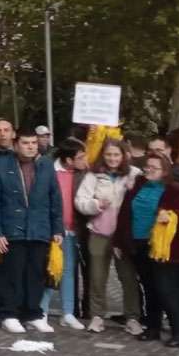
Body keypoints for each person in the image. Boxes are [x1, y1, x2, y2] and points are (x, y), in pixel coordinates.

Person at [0, 126, 63, 334]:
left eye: (34, 143)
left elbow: (55, 198)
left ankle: (33, 314)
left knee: (36, 273)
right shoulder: (2, 165)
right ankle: (8, 313)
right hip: (12, 229)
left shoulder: (46, 165)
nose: (30, 147)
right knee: (12, 273)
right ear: (16, 144)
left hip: (39, 228)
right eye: (26, 143)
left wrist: (57, 228)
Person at [114, 154, 179, 346]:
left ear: (165, 171)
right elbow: (124, 213)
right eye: (147, 166)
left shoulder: (175, 190)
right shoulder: (137, 185)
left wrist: (170, 216)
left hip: (166, 249)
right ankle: (153, 327)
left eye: (154, 168)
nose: (149, 170)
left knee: (169, 290)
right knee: (150, 288)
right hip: (140, 244)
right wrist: (119, 241)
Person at [73, 138, 141, 335]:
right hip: (99, 232)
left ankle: (132, 317)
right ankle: (97, 316)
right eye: (109, 154)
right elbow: (80, 201)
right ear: (103, 155)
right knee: (97, 277)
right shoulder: (93, 175)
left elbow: (142, 198)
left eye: (116, 155)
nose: (112, 158)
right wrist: (95, 204)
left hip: (123, 235)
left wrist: (132, 189)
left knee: (128, 277)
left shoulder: (134, 174)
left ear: (124, 156)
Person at [36, 139, 88, 329]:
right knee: (51, 270)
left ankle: (68, 312)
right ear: (68, 160)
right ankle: (41, 311)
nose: (85, 160)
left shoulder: (82, 174)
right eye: (80, 157)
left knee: (68, 271)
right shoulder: (50, 171)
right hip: (52, 229)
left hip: (73, 230)